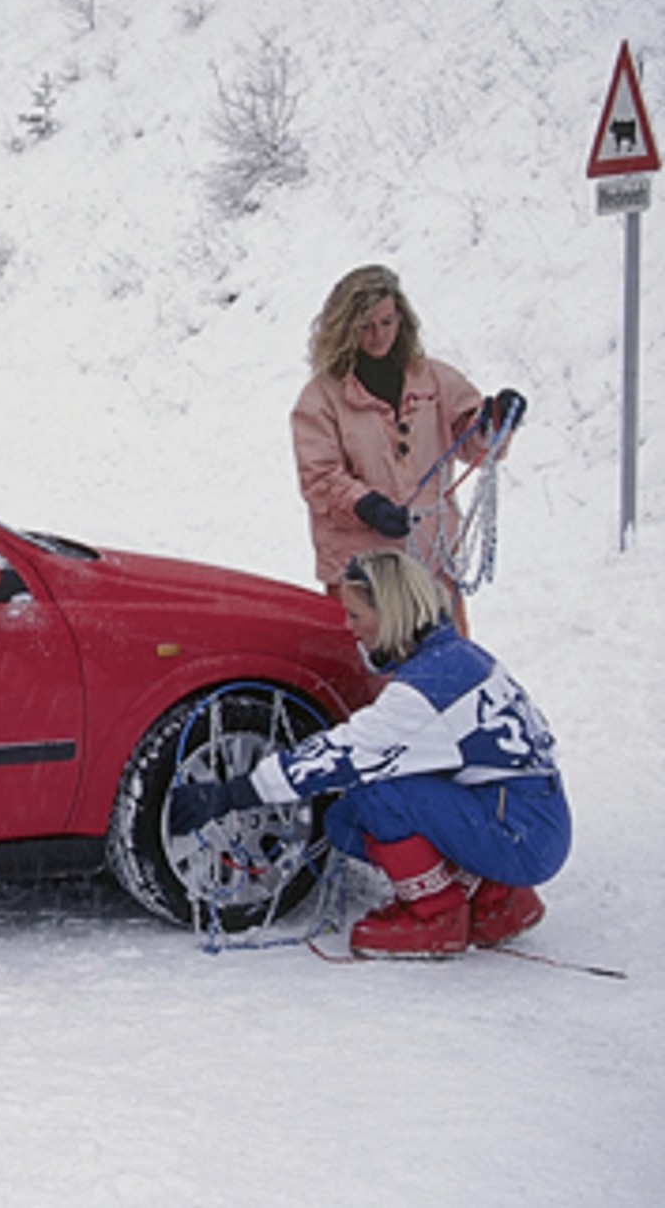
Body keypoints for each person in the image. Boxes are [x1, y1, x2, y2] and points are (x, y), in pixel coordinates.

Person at [168, 549, 569, 958]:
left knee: (375, 793)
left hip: (519, 833)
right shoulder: (457, 658)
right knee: (345, 821)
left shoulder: (426, 688)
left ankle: (436, 917)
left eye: (357, 615)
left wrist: (233, 794)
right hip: (528, 819)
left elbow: (344, 752)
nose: (350, 627)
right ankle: (499, 900)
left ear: (390, 611)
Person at [292, 264, 526, 635]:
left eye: (386, 322)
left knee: (445, 667)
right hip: (362, 569)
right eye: (366, 326)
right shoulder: (320, 398)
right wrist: (366, 505)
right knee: (370, 674)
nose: (378, 335)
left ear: (401, 320)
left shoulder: (434, 380)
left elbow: (476, 445)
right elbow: (319, 477)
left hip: (429, 555)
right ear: (345, 328)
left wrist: (497, 423)